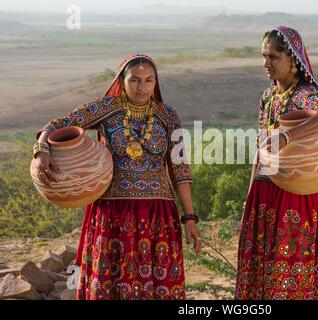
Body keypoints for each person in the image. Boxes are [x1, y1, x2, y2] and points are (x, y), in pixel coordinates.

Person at [32, 53, 201, 300]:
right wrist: (41, 150)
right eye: (134, 80)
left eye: (148, 80)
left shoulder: (168, 116)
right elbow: (56, 125)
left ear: (156, 83)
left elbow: (180, 169)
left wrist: (189, 217)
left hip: (157, 217)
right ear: (121, 81)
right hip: (112, 215)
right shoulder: (105, 109)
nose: (141, 87)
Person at [235, 26, 318, 300]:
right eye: (264, 56)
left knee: (288, 268)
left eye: (273, 57)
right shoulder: (267, 97)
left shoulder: (306, 95)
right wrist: (249, 196)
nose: (266, 64)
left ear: (293, 60)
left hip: (295, 195)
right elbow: (260, 149)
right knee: (260, 268)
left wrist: (288, 136)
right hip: (263, 194)